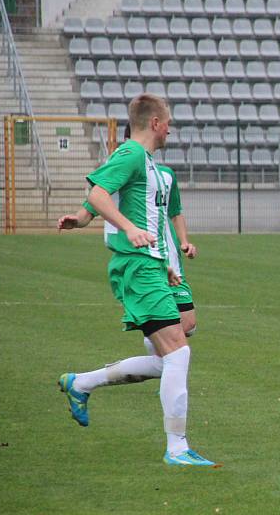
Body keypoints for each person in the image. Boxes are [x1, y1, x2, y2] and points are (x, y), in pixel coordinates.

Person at [55, 93, 217, 467]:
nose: (171, 129)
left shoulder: (141, 161)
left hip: (153, 264)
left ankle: (81, 384)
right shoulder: (131, 153)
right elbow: (98, 193)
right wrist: (127, 228)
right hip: (137, 266)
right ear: (156, 123)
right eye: (168, 122)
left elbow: (101, 195)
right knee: (178, 353)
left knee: (168, 358)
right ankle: (177, 448)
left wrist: (80, 220)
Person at [59, 123, 200, 375]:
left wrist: (184, 241)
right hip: (139, 258)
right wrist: (79, 219)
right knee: (174, 352)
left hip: (165, 259)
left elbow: (175, 211)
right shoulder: (125, 167)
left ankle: (83, 382)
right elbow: (94, 202)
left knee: (186, 327)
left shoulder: (162, 174)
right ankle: (157, 348)